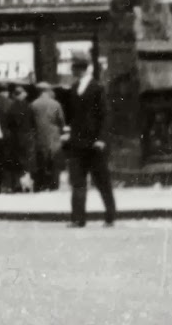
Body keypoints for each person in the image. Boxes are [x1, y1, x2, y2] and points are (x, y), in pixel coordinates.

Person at [62, 53, 117, 227]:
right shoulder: (73, 88)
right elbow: (72, 116)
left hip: (94, 143)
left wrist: (101, 138)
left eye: (74, 68)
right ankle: (78, 218)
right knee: (77, 181)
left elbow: (105, 115)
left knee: (102, 181)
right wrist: (68, 132)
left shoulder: (97, 88)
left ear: (82, 69)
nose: (72, 71)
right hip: (77, 142)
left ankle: (110, 214)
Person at [30, 82, 66, 192]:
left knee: (40, 160)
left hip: (39, 136)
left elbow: (31, 121)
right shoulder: (55, 104)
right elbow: (60, 120)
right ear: (47, 91)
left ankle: (41, 184)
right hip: (53, 135)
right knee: (54, 159)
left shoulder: (33, 105)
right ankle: (54, 184)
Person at [1, 85, 37, 194]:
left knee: (16, 161)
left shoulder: (10, 107)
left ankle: (16, 184)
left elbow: (7, 124)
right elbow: (33, 122)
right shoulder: (29, 106)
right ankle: (26, 183)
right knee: (27, 162)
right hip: (27, 137)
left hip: (15, 138)